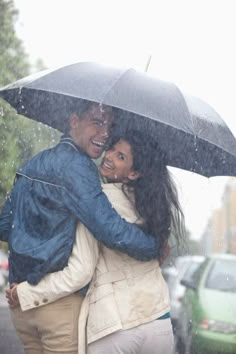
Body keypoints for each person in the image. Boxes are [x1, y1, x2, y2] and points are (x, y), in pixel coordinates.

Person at [0, 101, 161, 353]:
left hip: (21, 307)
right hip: (59, 308)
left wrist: (39, 238)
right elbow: (110, 230)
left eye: (109, 125)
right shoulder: (80, 167)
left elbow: (5, 225)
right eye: (97, 122)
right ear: (74, 120)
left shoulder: (34, 161)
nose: (105, 133)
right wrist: (153, 245)